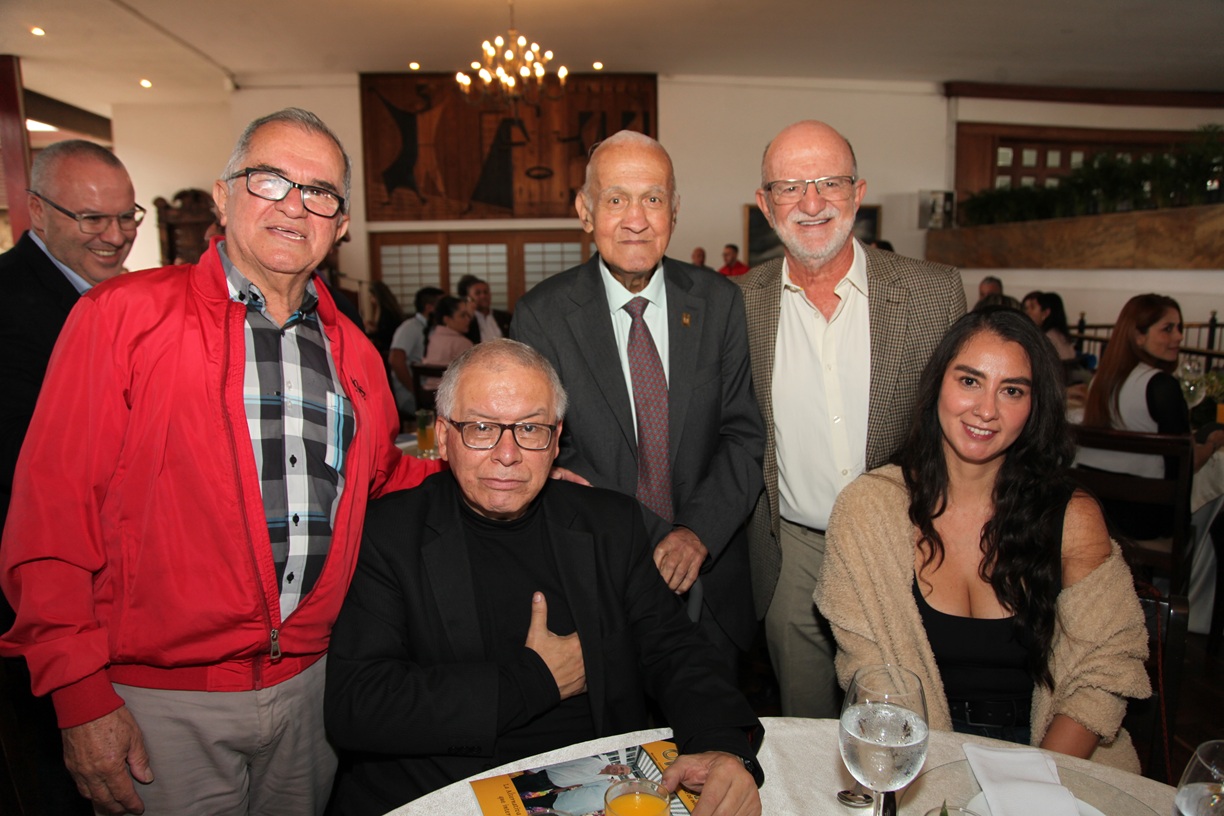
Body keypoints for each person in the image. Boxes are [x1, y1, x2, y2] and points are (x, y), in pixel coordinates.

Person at [0, 108, 441, 816]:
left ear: (342, 223)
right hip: (159, 699)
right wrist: (78, 693)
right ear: (223, 193)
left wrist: (484, 462)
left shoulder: (351, 350)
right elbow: (50, 513)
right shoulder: (124, 317)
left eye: (319, 192)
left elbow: (379, 477)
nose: (295, 206)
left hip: (314, 687)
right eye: (270, 180)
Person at [324, 340, 764, 816]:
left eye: (530, 428)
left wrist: (722, 745)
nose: (507, 454)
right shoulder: (390, 533)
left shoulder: (608, 525)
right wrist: (533, 681)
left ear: (556, 440)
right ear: (444, 435)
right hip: (446, 787)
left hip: (592, 780)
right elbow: (359, 705)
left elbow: (675, 651)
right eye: (481, 427)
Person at [815, 308, 1151, 771]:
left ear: (1034, 407)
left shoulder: (1071, 515)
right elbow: (870, 678)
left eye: (1011, 390)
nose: (987, 410)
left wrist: (1032, 785)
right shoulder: (868, 511)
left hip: (1058, 756)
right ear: (937, 385)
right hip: (915, 752)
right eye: (970, 381)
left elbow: (1108, 666)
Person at [511, 130, 766, 674]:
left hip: (713, 578)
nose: (636, 218)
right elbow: (543, 447)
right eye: (615, 199)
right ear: (585, 210)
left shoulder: (719, 302)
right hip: (602, 579)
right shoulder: (543, 316)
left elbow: (742, 434)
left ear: (674, 211)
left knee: (715, 745)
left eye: (652, 198)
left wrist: (697, 532)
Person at [738, 120, 965, 717]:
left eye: (829, 183)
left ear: (858, 192)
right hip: (790, 552)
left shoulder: (932, 293)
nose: (811, 204)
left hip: (907, 542)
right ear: (765, 204)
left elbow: (961, 429)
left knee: (905, 720)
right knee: (805, 725)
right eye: (789, 187)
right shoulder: (737, 304)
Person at [0, 138, 141, 815]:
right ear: (36, 211)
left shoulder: (123, 302)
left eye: (126, 217)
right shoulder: (14, 308)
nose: (115, 237)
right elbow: (36, 491)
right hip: (42, 606)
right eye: (91, 219)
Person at [389, 285, 445, 414]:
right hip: (409, 391)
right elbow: (395, 360)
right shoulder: (410, 327)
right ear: (429, 308)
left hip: (428, 388)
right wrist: (415, 389)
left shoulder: (435, 328)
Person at [420, 295, 475, 389]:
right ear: (447, 319)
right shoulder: (462, 343)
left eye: (468, 315)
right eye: (462, 315)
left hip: (428, 394)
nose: (468, 319)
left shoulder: (432, 338)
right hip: (451, 396)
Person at [457, 273, 512, 342]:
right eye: (478, 293)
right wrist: (470, 314)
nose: (483, 296)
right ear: (469, 298)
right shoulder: (467, 321)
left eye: (486, 292)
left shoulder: (505, 317)